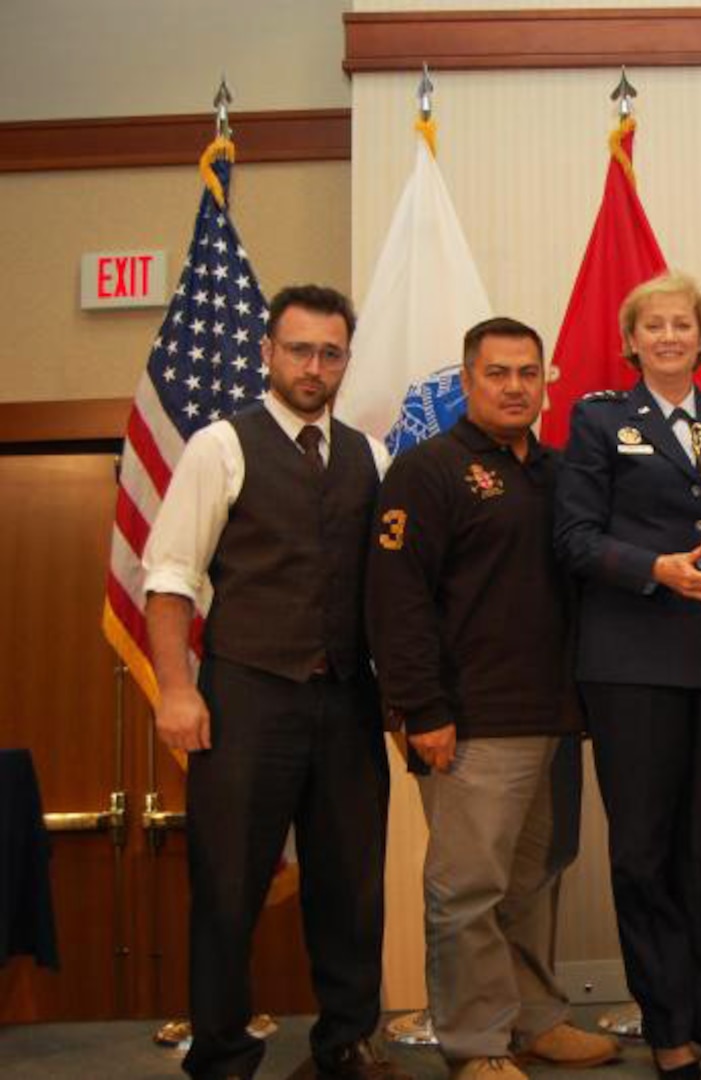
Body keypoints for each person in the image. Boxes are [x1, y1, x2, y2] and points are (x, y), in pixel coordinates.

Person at [143, 284, 406, 1080]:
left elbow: (390, 588)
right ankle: (222, 1053)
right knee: (229, 882)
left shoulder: (371, 455)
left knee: (352, 885)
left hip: (348, 700)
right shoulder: (219, 446)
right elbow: (170, 577)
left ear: (345, 362)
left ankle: (346, 1043)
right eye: (298, 349)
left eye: (330, 353)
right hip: (246, 695)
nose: (313, 366)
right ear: (267, 352)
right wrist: (176, 689)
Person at [365, 317, 620, 1080]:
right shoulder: (427, 470)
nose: (514, 387)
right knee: (467, 890)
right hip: (468, 722)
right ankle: (475, 1043)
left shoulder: (560, 471)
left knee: (534, 881)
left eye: (528, 373)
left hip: (554, 716)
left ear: (547, 383)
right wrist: (423, 710)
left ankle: (534, 1019)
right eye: (497, 373)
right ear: (468, 382)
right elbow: (395, 599)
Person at [556, 271, 701, 1079]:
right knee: (644, 854)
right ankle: (666, 1028)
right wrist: (657, 568)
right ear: (632, 340)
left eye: (683, 323)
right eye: (654, 325)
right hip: (631, 666)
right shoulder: (599, 420)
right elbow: (574, 539)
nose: (670, 336)